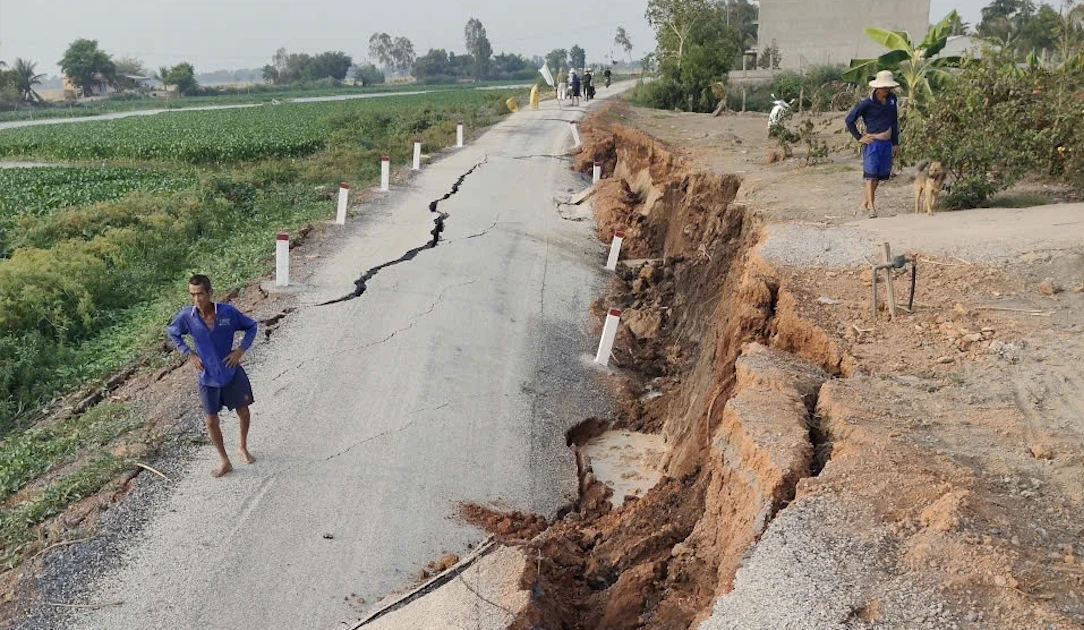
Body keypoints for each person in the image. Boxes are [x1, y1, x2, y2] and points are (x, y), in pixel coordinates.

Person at [167, 274, 259, 478]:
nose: (197, 299)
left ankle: (242, 447)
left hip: (231, 371)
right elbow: (173, 332)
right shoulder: (187, 317)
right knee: (210, 421)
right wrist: (188, 353)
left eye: (200, 293)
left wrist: (240, 350)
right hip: (207, 376)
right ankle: (224, 461)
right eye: (193, 294)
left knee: (243, 412)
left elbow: (252, 326)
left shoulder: (227, 313)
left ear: (210, 292)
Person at [845, 70, 900, 218]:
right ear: (877, 87)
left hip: (886, 143)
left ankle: (864, 203)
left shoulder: (892, 100)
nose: (887, 90)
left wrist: (895, 143)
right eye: (884, 88)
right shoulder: (866, 103)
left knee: (879, 176)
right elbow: (850, 120)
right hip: (873, 143)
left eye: (889, 88)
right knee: (870, 176)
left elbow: (894, 122)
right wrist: (859, 137)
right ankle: (872, 208)